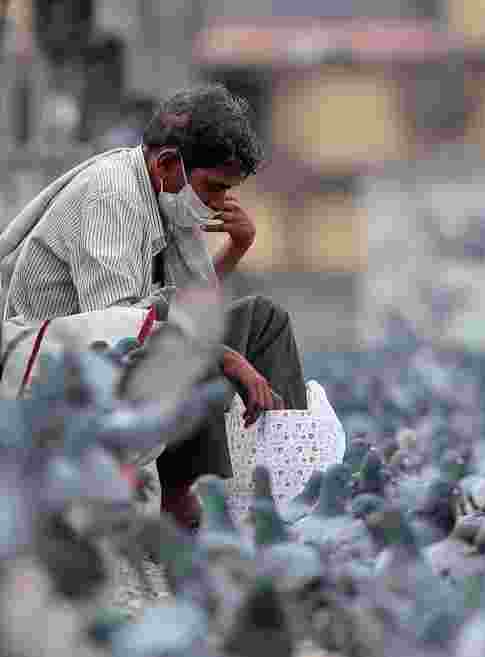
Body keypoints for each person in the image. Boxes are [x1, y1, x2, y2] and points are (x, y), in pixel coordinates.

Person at [0, 84, 308, 530]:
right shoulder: (112, 198)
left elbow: (184, 303)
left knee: (264, 321)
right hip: (63, 362)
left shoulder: (162, 195)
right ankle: (183, 500)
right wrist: (227, 358)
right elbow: (125, 327)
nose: (221, 202)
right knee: (194, 350)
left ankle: (283, 476)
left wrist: (238, 247)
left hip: (126, 339)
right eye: (215, 187)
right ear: (167, 164)